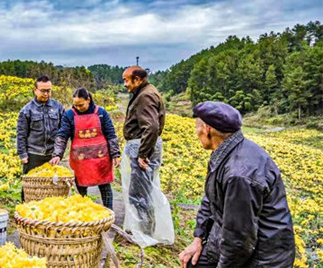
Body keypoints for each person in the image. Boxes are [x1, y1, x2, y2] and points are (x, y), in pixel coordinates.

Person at [179, 101, 295, 268]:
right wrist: (198, 238)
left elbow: (239, 238)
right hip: (236, 241)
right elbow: (210, 198)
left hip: (264, 257)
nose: (196, 133)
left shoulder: (239, 175)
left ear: (207, 129)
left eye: (197, 127)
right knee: (192, 262)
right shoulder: (224, 152)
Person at [49, 88, 120, 209]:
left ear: (88, 99)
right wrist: (57, 154)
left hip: (101, 158)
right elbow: (62, 135)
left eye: (81, 105)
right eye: (75, 105)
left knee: (104, 186)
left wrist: (115, 154)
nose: (78, 107)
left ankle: (109, 213)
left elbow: (111, 134)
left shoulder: (101, 112)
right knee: (81, 188)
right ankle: (84, 214)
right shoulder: (69, 115)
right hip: (80, 160)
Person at [122, 66, 166, 236]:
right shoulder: (144, 92)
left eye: (127, 80)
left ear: (138, 79)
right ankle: (140, 229)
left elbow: (152, 127)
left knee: (140, 192)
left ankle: (144, 233)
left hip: (143, 147)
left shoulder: (145, 95)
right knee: (142, 189)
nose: (125, 84)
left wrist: (143, 154)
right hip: (143, 146)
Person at [16, 75, 65, 200]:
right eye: (43, 91)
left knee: (51, 188)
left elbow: (63, 132)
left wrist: (58, 154)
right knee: (30, 187)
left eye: (49, 90)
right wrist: (23, 154)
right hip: (33, 154)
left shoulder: (58, 107)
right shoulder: (27, 110)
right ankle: (26, 212)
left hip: (51, 155)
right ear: (35, 90)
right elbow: (21, 134)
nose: (46, 94)